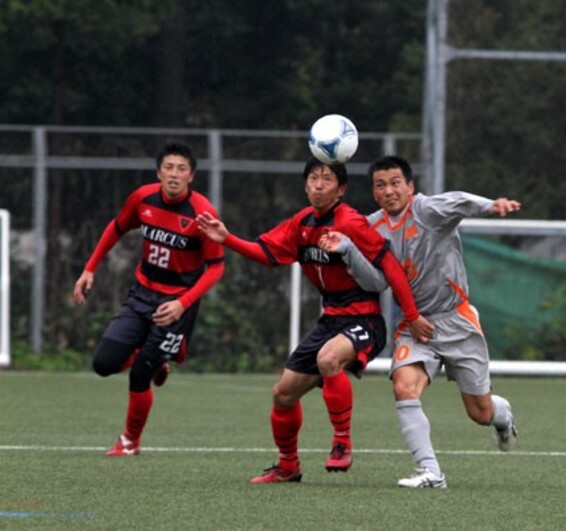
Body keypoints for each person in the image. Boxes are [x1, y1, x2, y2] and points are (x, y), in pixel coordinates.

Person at [196, 157, 433, 484]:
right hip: (330, 319)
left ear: (341, 189)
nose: (318, 185)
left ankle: (342, 443)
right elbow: (267, 254)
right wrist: (226, 238)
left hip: (364, 317)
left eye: (326, 179)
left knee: (328, 358)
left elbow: (389, 264)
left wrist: (412, 314)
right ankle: (288, 466)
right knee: (283, 394)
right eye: (313, 178)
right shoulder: (301, 223)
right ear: (305, 184)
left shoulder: (349, 222)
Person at [318, 155, 520, 488]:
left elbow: (459, 201)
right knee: (404, 386)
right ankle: (430, 471)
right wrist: (348, 250)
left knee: (479, 413)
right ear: (373, 192)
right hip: (414, 326)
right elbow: (377, 283)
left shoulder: (427, 210)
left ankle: (502, 416)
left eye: (396, 183)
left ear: (410, 187)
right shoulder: (369, 227)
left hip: (456, 319)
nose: (389, 191)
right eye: (380, 185)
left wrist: (490, 206)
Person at [73, 141, 225, 456]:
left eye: (181, 169)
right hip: (142, 294)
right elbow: (116, 228)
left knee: (141, 372)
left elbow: (216, 268)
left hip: (177, 303)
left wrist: (183, 303)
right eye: (168, 167)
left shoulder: (202, 213)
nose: (174, 174)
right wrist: (90, 268)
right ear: (158, 172)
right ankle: (155, 358)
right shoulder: (142, 198)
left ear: (191, 176)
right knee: (103, 364)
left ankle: (130, 442)